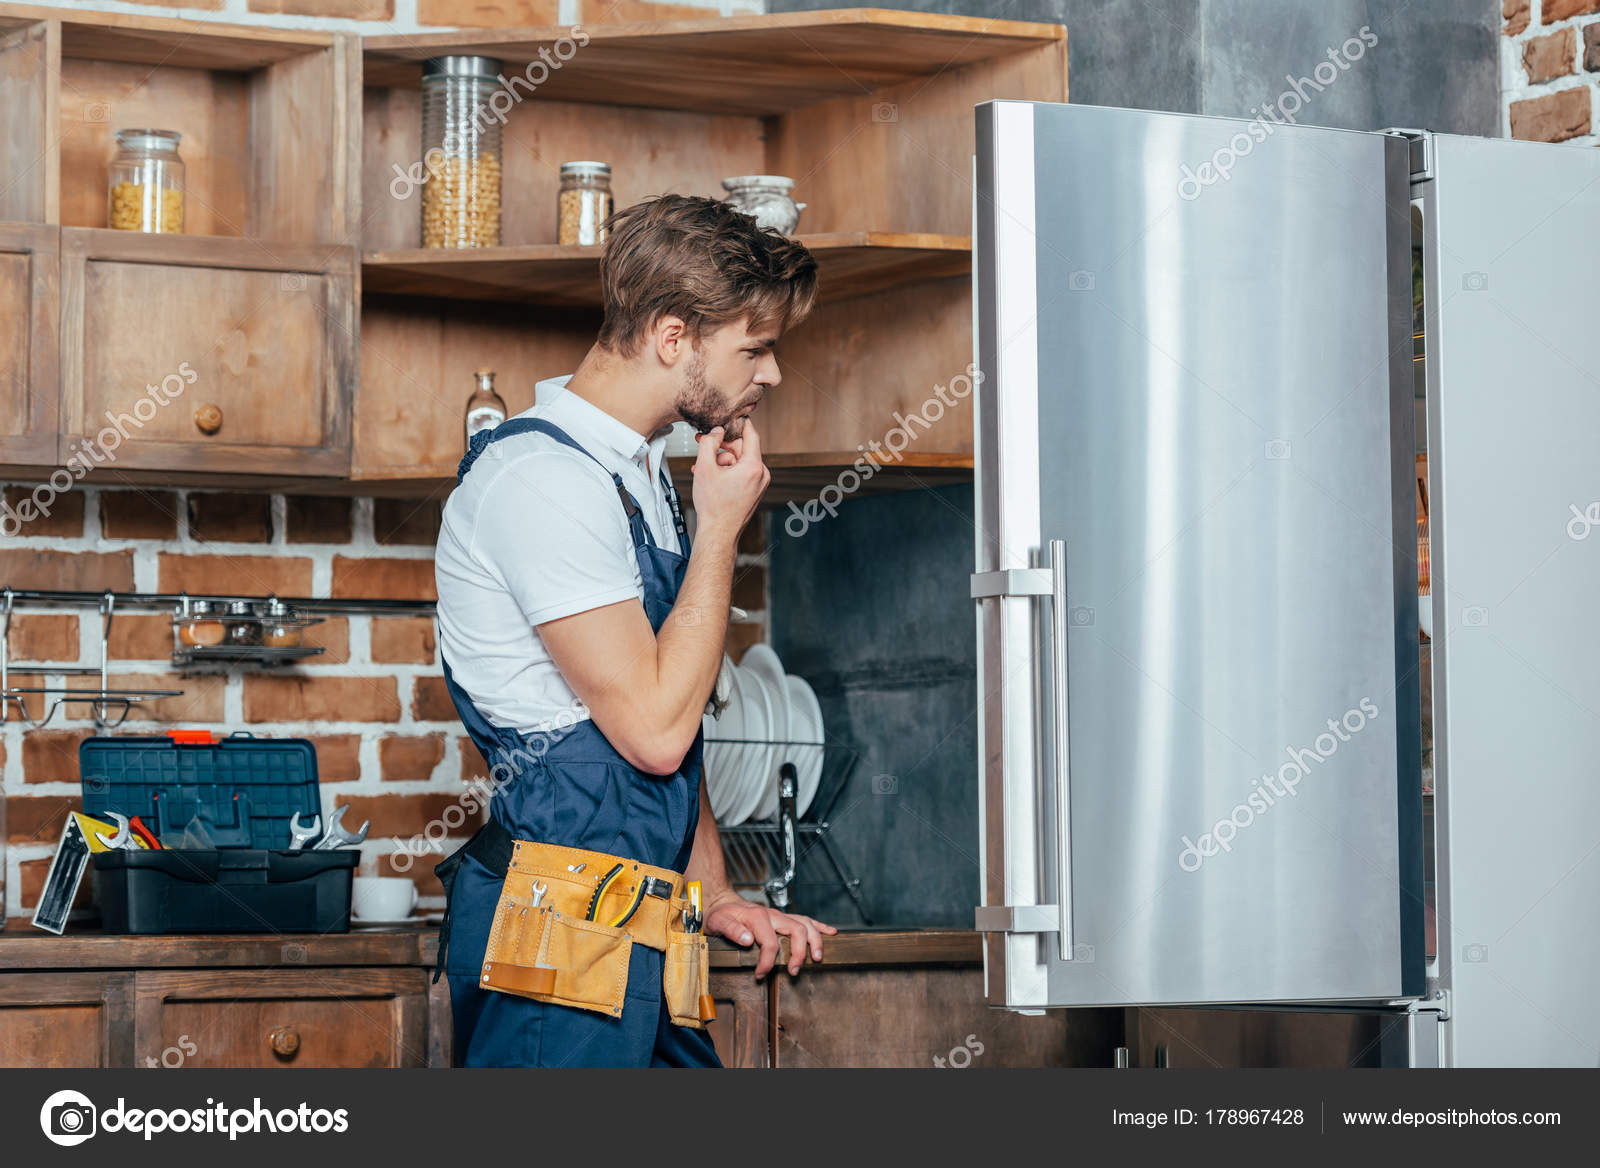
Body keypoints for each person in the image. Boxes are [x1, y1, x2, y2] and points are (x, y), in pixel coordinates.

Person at [431, 194, 835, 1067]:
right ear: (672, 336)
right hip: (561, 925)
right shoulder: (543, 480)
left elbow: (671, 731)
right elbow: (652, 734)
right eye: (755, 348)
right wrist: (723, 529)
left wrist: (715, 891)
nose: (771, 376)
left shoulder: (636, 477)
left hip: (652, 920)